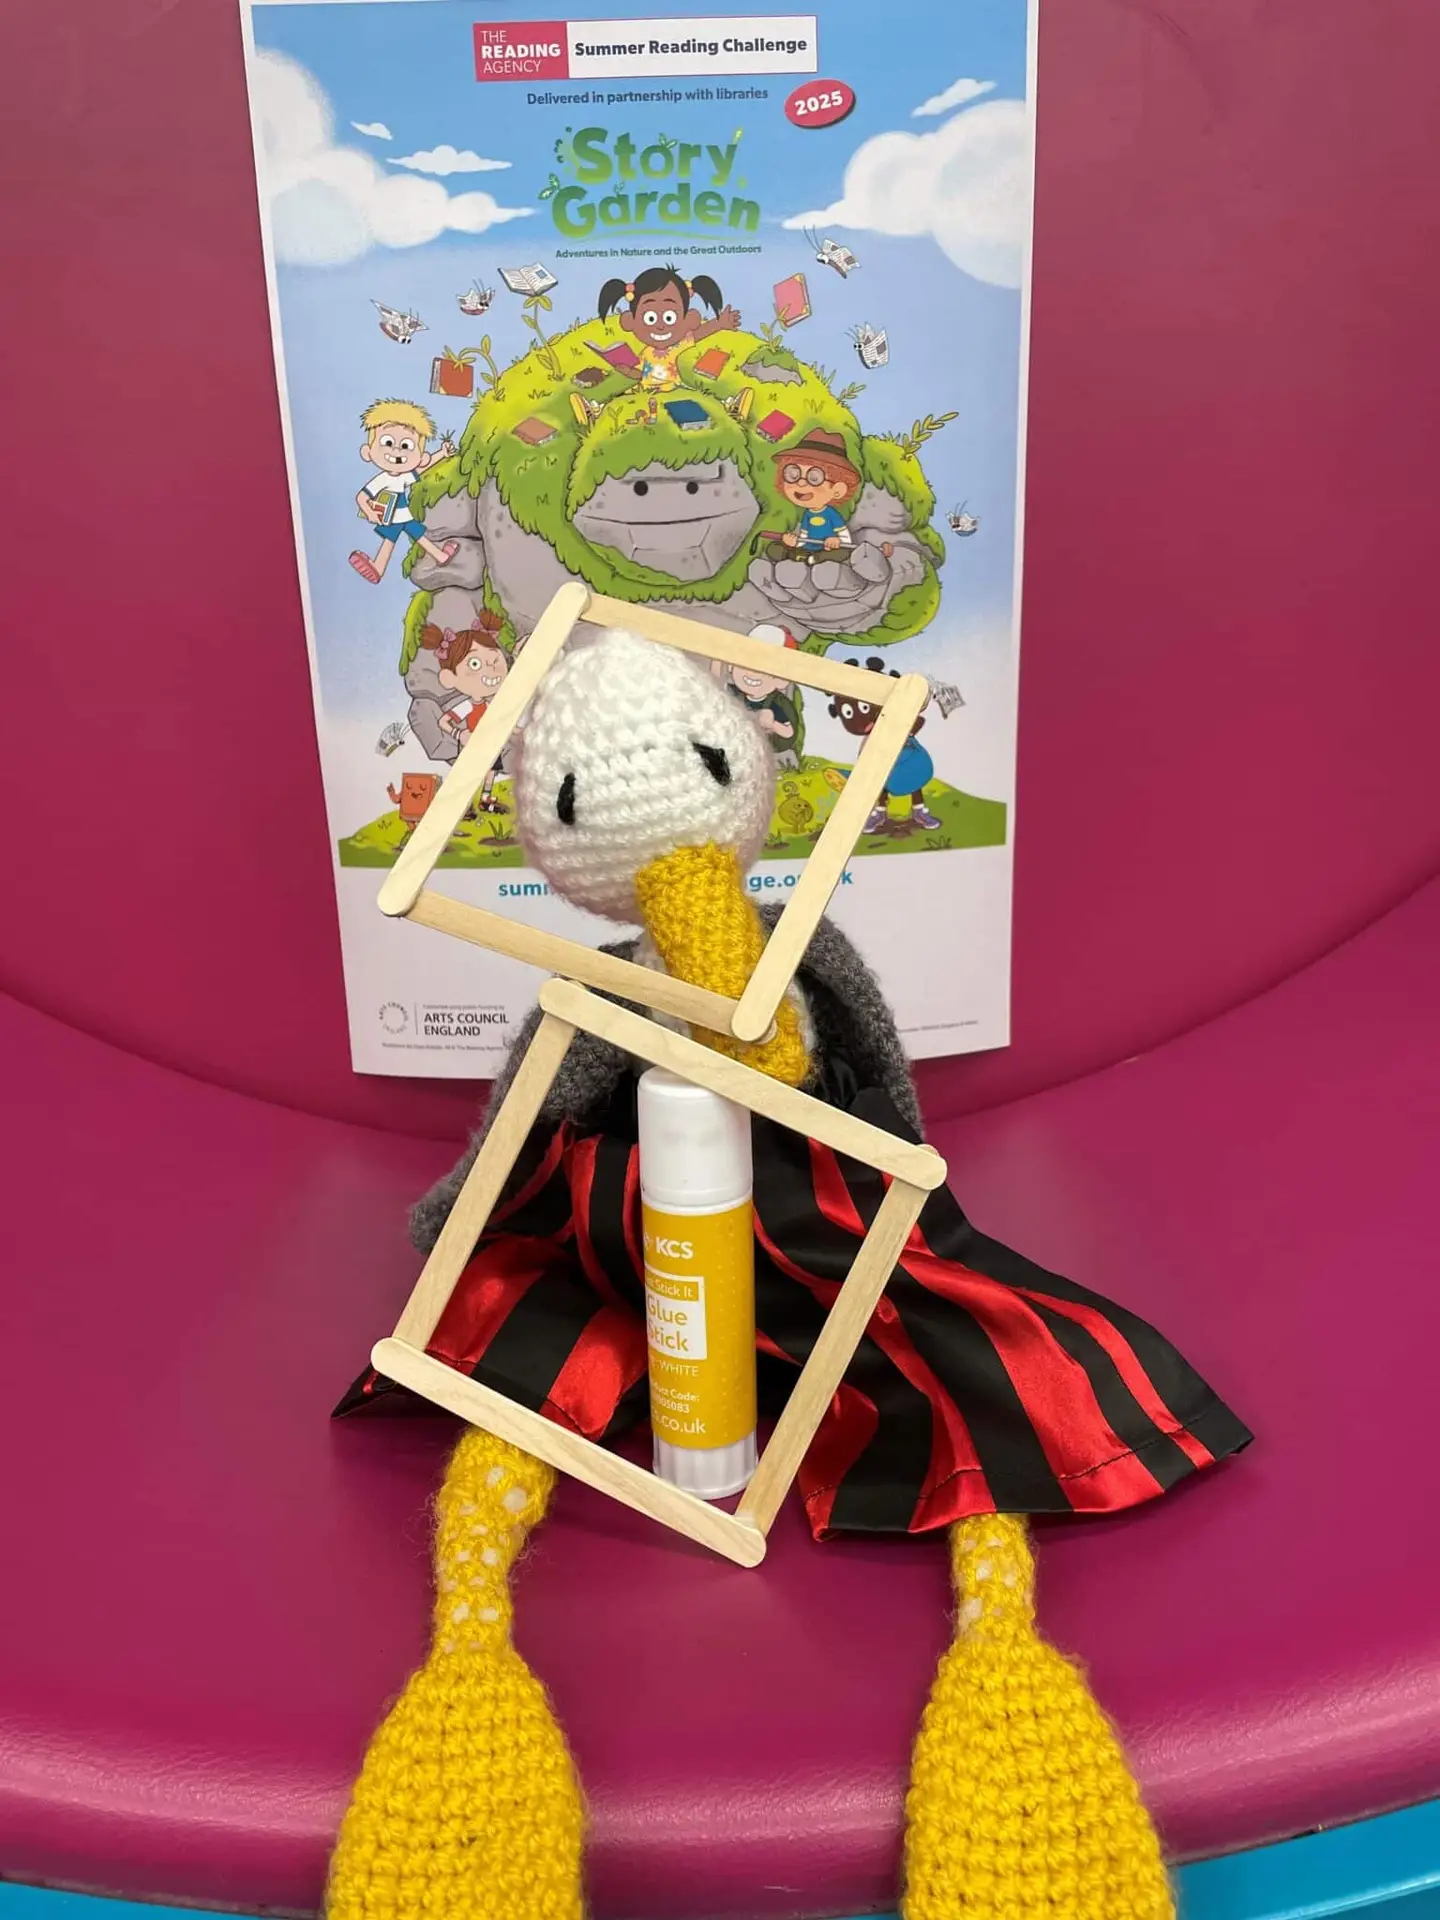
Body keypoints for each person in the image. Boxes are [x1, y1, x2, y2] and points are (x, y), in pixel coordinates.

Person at [596, 265, 739, 421]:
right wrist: (626, 370)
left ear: (689, 319)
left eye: (669, 318)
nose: (660, 326)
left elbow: (700, 333)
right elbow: (639, 373)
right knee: (621, 402)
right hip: (646, 392)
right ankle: (594, 409)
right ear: (631, 321)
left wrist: (720, 323)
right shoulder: (646, 353)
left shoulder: (680, 344)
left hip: (674, 390)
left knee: (697, 401)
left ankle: (731, 407)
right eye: (650, 318)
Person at [349, 399, 458, 585]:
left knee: (402, 539)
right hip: (393, 516)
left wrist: (442, 453)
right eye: (388, 442)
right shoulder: (383, 479)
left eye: (406, 445)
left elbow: (422, 469)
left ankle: (382, 567)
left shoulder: (404, 475)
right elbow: (361, 497)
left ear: (421, 457)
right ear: (368, 452)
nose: (397, 450)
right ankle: (381, 567)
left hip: (399, 516)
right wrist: (370, 512)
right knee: (405, 538)